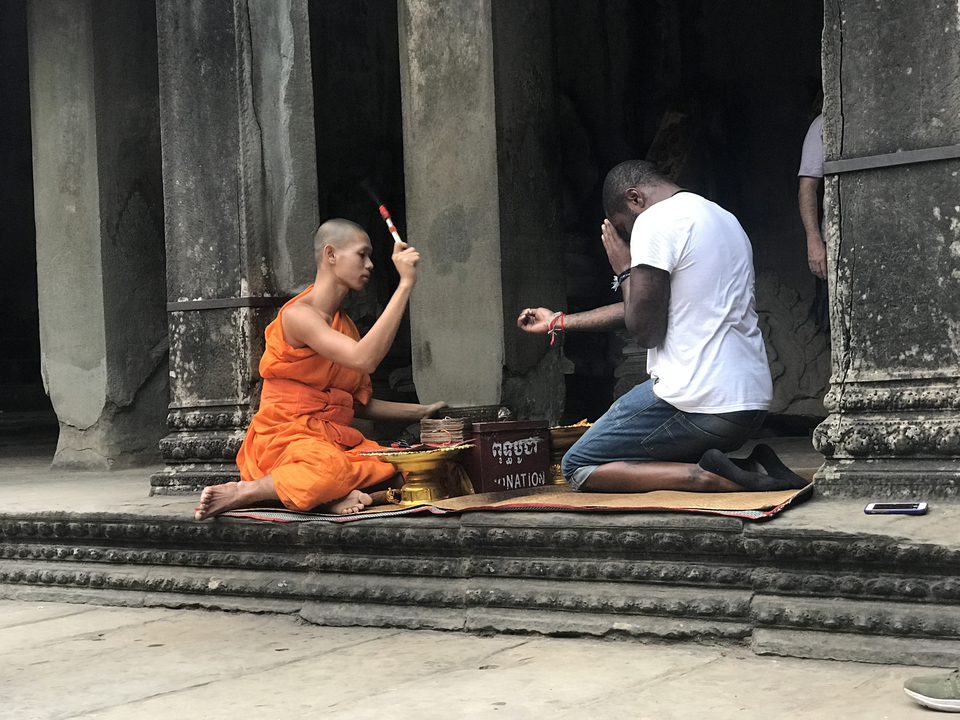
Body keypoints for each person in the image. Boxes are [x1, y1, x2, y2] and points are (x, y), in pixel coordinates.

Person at [518, 160, 807, 494]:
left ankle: (708, 477)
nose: (628, 237)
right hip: (748, 403)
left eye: (624, 228)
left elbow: (644, 331)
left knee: (579, 465)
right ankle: (750, 467)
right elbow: (649, 305)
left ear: (634, 198)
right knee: (629, 461)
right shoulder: (722, 217)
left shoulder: (655, 220)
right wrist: (559, 321)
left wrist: (625, 270)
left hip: (696, 401)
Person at [195, 219, 446, 520]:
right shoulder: (298, 315)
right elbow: (364, 360)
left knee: (406, 470)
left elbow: (354, 404)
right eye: (361, 254)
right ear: (330, 254)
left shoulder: (346, 326)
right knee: (326, 471)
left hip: (334, 442)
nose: (370, 265)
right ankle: (246, 491)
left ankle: (330, 497)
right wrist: (405, 284)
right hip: (286, 438)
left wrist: (424, 412)